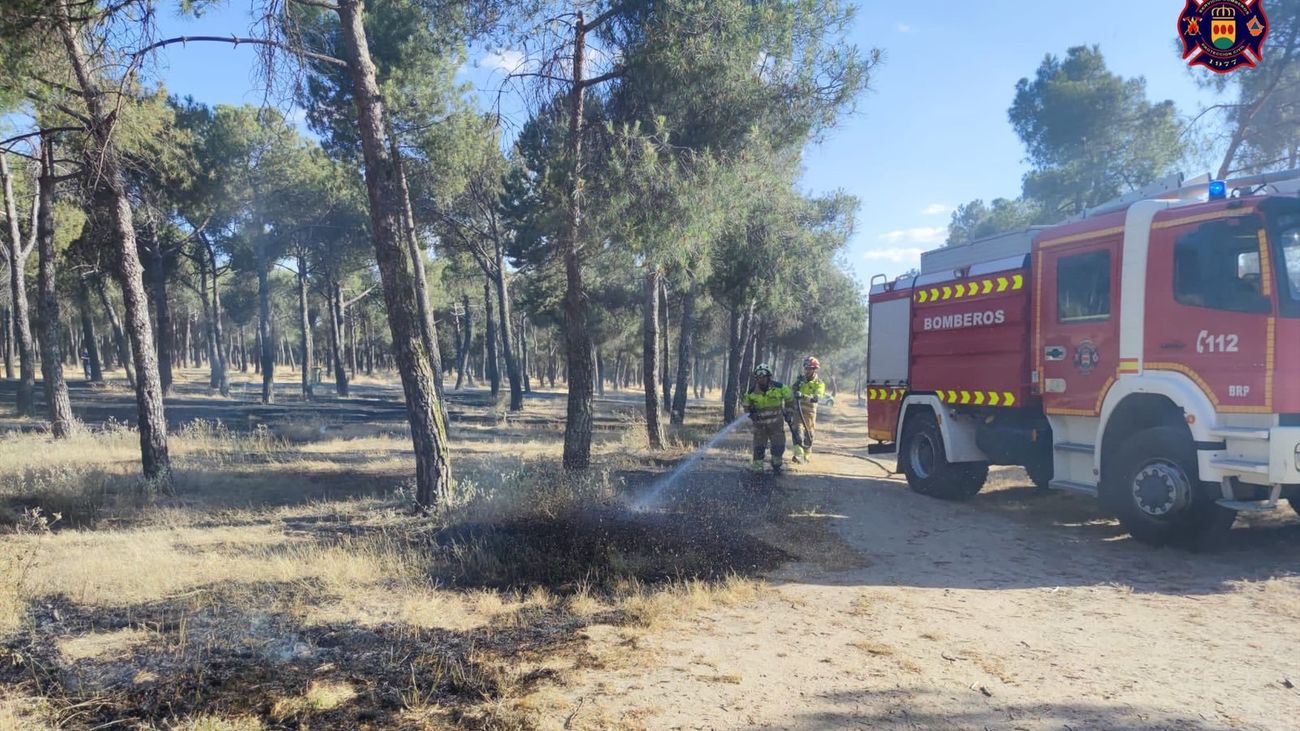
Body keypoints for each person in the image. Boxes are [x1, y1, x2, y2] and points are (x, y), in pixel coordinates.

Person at [744, 363, 792, 475]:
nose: (761, 379)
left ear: (768, 377)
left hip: (776, 425)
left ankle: (776, 466)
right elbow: (746, 407)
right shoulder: (751, 392)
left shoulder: (780, 388)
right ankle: (757, 469)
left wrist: (789, 413)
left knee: (778, 447)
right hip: (760, 426)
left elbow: (790, 399)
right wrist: (752, 414)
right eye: (758, 377)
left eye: (763, 377)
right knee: (759, 447)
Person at [790, 356, 826, 462]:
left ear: (814, 369)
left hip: (810, 413)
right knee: (797, 432)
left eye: (809, 368)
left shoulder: (819, 383)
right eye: (805, 368)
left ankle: (807, 456)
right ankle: (798, 456)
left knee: (809, 435)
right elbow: (792, 391)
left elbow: (817, 397)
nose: (806, 370)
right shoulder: (800, 381)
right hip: (797, 412)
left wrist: (803, 396)